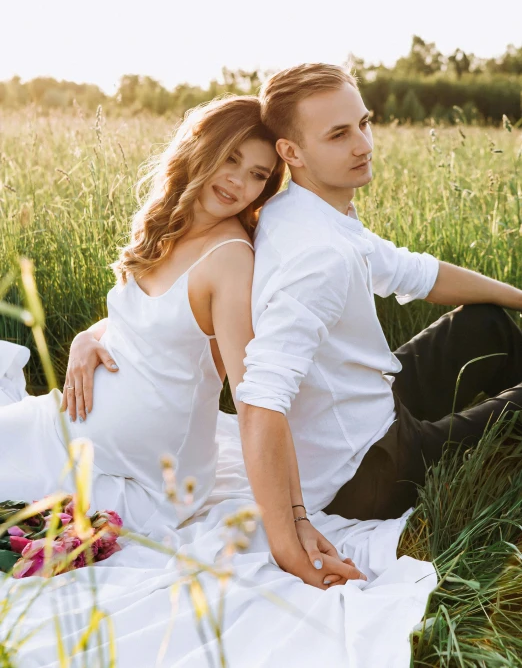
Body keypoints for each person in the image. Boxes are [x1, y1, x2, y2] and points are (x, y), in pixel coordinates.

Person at [0, 94, 363, 588]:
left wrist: (290, 537)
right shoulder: (168, 225)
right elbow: (149, 321)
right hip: (66, 432)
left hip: (135, 478)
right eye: (231, 158)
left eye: (258, 174)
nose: (239, 181)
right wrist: (89, 335)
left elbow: (255, 401)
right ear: (198, 148)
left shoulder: (229, 259)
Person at [234, 63, 522, 556]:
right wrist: (289, 538)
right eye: (339, 134)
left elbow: (415, 272)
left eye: (364, 123)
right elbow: (260, 398)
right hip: (368, 472)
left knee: (485, 321)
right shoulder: (317, 257)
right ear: (291, 151)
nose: (363, 144)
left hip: (366, 407)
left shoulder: (301, 208)